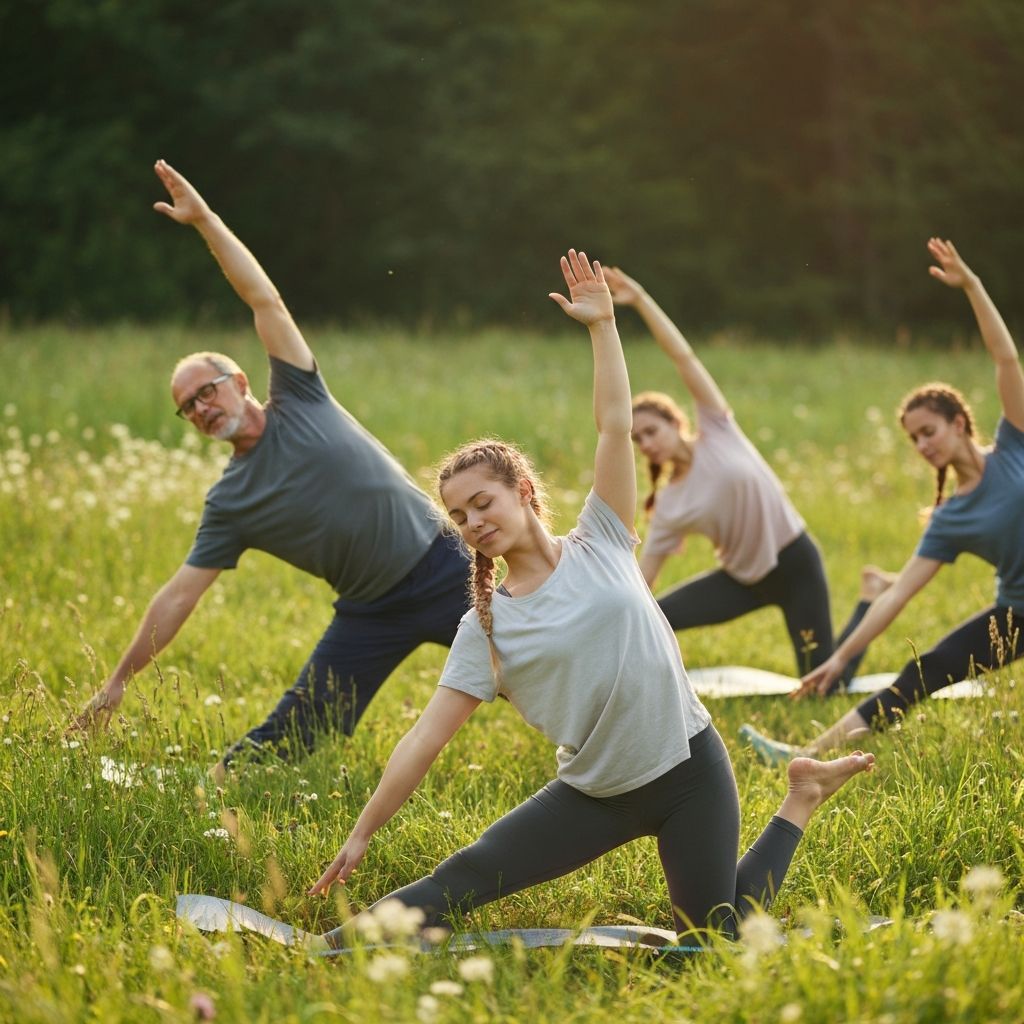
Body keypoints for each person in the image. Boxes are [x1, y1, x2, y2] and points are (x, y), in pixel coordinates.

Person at [306, 250, 875, 948]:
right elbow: (425, 737)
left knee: (712, 941)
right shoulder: (485, 626)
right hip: (593, 796)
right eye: (457, 516)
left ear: (522, 491)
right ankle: (325, 951)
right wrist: (362, 832)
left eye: (481, 501)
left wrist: (605, 326)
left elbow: (612, 424)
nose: (473, 522)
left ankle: (800, 796)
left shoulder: (603, 536)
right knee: (462, 880)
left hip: (691, 768)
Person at [72, 161, 470, 773]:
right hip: (370, 610)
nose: (201, 410)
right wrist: (120, 679)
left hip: (447, 566)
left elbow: (264, 297)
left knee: (544, 665)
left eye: (205, 392)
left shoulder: (299, 395)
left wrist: (205, 221)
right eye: (188, 409)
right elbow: (180, 593)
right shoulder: (230, 503)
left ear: (237, 381)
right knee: (291, 738)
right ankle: (214, 787)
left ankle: (657, 713)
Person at [742, 238, 1024, 765]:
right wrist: (840, 659)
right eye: (913, 439)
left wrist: (974, 287)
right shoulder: (950, 519)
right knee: (925, 671)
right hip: (1018, 614)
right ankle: (805, 756)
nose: (922, 446)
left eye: (928, 431)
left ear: (959, 423)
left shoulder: (1015, 444)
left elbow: (1005, 357)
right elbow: (896, 597)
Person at [603, 266, 888, 687]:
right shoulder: (669, 504)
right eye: (637, 439)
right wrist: (605, 619)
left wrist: (641, 299)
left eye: (651, 431)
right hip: (741, 581)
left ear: (677, 422)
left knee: (824, 685)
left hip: (795, 565)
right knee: (654, 614)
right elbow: (642, 580)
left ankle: (871, 595)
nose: (646, 443)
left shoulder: (719, 430)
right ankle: (653, 689)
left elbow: (685, 358)